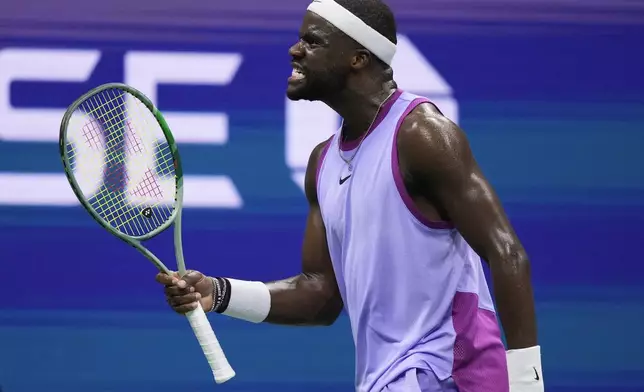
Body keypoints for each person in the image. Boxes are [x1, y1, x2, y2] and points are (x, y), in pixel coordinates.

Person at [156, 0, 544, 390]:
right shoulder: (322, 162)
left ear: (357, 58)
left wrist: (528, 385)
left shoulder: (422, 137)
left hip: (449, 375)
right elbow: (321, 294)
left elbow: (506, 253)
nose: (295, 50)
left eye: (313, 41)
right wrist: (219, 293)